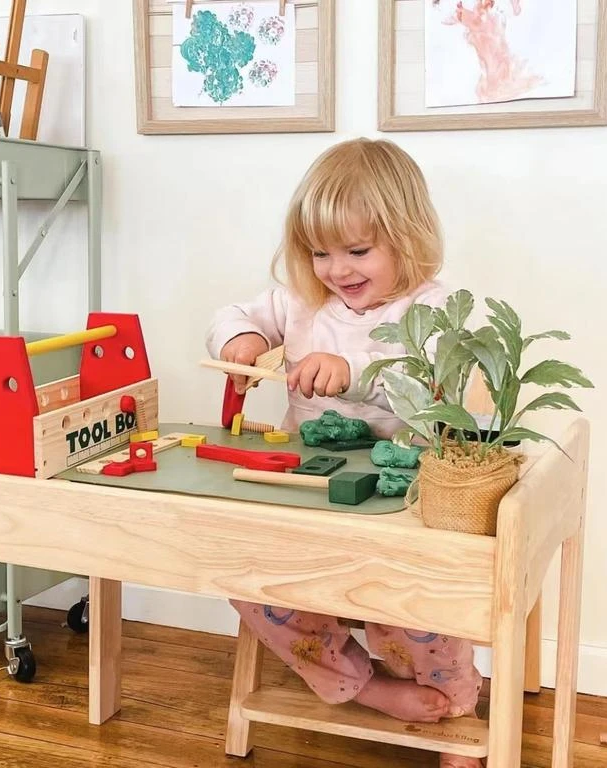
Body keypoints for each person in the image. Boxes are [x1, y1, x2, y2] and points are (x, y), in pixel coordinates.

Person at [206, 138, 482, 768]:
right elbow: (230, 314)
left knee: (418, 601)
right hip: (309, 495)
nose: (337, 268)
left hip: (400, 502)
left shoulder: (432, 308)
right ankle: (361, 684)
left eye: (358, 251)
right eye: (320, 252)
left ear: (407, 239)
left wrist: (351, 368)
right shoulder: (302, 303)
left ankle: (454, 706)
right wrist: (244, 339)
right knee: (247, 579)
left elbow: (429, 387)